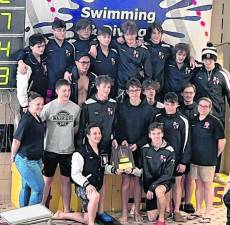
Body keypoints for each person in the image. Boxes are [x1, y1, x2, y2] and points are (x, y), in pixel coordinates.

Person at [53, 124, 121, 225]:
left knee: (87, 218)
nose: (98, 136)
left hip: (97, 184)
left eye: (99, 133)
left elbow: (104, 166)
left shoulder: (102, 150)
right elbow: (75, 174)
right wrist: (87, 184)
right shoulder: (80, 152)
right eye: (94, 134)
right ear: (88, 136)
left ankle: (62, 215)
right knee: (95, 196)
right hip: (83, 187)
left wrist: (114, 170)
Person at [112, 78, 154, 223]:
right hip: (125, 150)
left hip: (140, 149)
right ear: (127, 92)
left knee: (137, 181)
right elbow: (117, 127)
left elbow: (150, 132)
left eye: (136, 90)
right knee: (125, 181)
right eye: (131, 90)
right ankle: (124, 211)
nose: (134, 93)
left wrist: (138, 144)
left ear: (141, 91)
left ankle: (136, 210)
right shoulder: (121, 106)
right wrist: (122, 140)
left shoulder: (148, 109)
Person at [78, 75, 117, 222]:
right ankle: (88, 208)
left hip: (105, 147)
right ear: (97, 87)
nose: (106, 89)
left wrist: (114, 139)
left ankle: (101, 211)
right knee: (90, 176)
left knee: (102, 177)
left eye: (109, 87)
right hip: (89, 149)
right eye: (104, 86)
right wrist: (80, 149)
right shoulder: (88, 105)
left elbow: (115, 126)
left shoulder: (113, 104)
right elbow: (82, 129)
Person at [40, 79, 81, 213]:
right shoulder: (49, 107)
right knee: (47, 181)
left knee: (66, 181)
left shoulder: (75, 108)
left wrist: (68, 132)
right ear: (57, 91)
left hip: (68, 150)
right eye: (64, 90)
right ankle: (41, 208)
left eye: (68, 91)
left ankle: (67, 211)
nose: (67, 93)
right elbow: (38, 123)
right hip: (50, 150)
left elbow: (78, 127)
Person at [192, 42, 230, 180]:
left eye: (210, 59)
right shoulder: (196, 73)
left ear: (215, 60)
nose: (207, 62)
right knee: (200, 142)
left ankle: (215, 173)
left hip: (217, 116)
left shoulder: (222, 74)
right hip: (200, 115)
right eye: (205, 59)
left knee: (217, 144)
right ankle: (198, 171)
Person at [17, 19, 75, 101]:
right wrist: (20, 61)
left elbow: (72, 63)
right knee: (47, 106)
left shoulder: (69, 47)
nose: (62, 33)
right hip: (49, 86)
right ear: (53, 31)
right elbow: (26, 51)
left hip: (63, 84)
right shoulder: (46, 44)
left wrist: (67, 71)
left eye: (64, 30)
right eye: (59, 30)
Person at [189, 97, 225, 223]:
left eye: (206, 106)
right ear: (197, 106)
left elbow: (222, 141)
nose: (203, 108)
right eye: (201, 105)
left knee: (207, 186)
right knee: (198, 185)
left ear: (210, 109)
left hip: (209, 160)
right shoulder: (193, 120)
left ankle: (208, 213)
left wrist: (215, 156)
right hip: (195, 159)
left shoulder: (215, 122)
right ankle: (198, 211)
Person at [155, 92, 190, 222]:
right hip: (162, 158)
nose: (169, 107)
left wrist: (183, 161)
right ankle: (167, 210)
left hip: (177, 159)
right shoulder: (158, 117)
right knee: (164, 183)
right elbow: (153, 136)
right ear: (164, 104)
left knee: (177, 184)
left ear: (177, 104)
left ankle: (176, 211)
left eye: (172, 104)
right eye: (167, 104)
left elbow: (187, 142)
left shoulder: (183, 120)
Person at [11, 92, 45, 207]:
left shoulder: (37, 117)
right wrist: (13, 157)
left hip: (35, 159)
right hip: (26, 160)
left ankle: (23, 216)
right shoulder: (26, 119)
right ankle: (31, 217)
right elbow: (16, 140)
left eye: (42, 104)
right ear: (30, 104)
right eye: (37, 104)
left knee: (26, 188)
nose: (40, 106)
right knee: (39, 189)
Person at [139, 122, 175, 225]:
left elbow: (168, 174)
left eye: (159, 133)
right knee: (151, 218)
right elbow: (141, 169)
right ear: (149, 135)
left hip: (164, 182)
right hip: (150, 185)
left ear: (162, 134)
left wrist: (153, 186)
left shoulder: (169, 150)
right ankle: (166, 208)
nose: (156, 136)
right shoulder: (144, 149)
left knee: (159, 191)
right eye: (153, 134)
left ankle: (162, 219)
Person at [178, 83, 198, 214]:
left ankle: (188, 202)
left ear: (194, 94)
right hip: (181, 145)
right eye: (186, 92)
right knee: (180, 176)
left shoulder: (199, 107)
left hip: (196, 145)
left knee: (190, 176)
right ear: (182, 94)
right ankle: (178, 201)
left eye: (191, 92)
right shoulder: (178, 108)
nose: (188, 95)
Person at [17, 33, 48, 110]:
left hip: (43, 97)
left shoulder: (44, 58)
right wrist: (24, 105)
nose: (42, 49)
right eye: (38, 46)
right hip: (31, 99)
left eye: (43, 46)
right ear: (31, 47)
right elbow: (22, 86)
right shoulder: (26, 63)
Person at [90, 26, 119, 98]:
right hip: (98, 88)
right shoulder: (93, 52)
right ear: (98, 38)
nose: (107, 39)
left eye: (109, 37)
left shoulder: (114, 52)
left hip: (111, 87)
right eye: (104, 37)